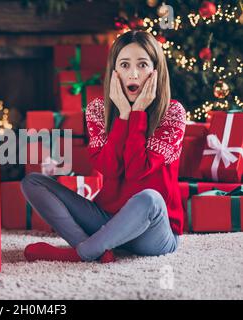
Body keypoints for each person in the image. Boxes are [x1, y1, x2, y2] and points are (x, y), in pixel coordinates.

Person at [21, 30, 186, 263]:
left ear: (156, 71)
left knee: (149, 198)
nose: (134, 74)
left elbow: (137, 170)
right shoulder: (98, 110)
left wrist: (138, 114)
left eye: (142, 65)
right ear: (115, 71)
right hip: (107, 220)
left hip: (154, 232)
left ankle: (82, 253)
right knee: (33, 182)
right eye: (125, 65)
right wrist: (124, 117)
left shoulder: (173, 113)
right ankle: (97, 248)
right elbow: (109, 170)